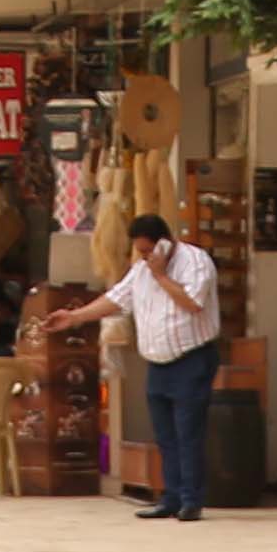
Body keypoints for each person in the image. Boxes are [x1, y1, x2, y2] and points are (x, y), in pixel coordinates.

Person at [46, 211, 223, 521]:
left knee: (188, 432)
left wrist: (161, 276)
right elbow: (116, 299)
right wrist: (75, 317)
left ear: (164, 244)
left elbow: (193, 302)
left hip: (191, 358)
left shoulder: (195, 262)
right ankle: (170, 496)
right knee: (165, 435)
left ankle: (191, 499)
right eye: (140, 251)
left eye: (148, 250)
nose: (144, 257)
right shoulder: (141, 270)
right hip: (158, 362)